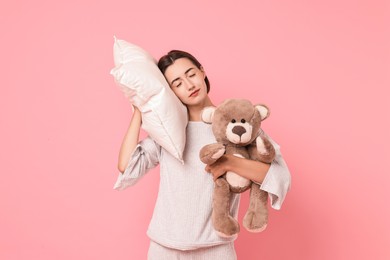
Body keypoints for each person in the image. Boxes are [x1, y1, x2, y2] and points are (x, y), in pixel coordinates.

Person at [117, 50, 291, 260]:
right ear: (170, 91)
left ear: (202, 71)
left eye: (191, 74)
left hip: (216, 249)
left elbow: (278, 175)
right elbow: (127, 165)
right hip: (164, 249)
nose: (189, 85)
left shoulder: (235, 123)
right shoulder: (170, 131)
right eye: (177, 83)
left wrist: (229, 162)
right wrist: (139, 109)